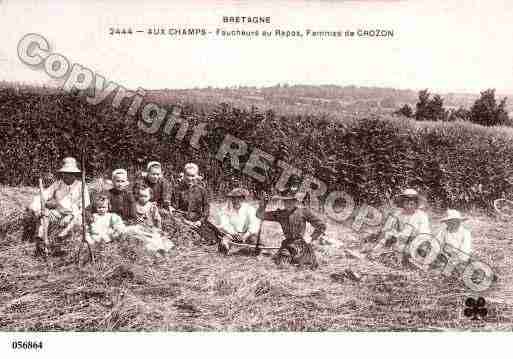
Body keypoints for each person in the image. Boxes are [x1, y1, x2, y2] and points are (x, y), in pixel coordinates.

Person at [24, 157, 90, 255]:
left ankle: (61, 241)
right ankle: (41, 242)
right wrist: (34, 207)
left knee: (78, 220)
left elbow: (85, 205)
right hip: (58, 213)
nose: (67, 176)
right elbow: (43, 196)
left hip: (73, 215)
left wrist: (73, 215)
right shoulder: (58, 184)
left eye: (70, 173)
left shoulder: (81, 186)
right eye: (65, 173)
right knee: (44, 215)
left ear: (74, 174)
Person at [256, 186, 327, 268]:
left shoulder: (304, 212)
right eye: (285, 201)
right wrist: (264, 203)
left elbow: (322, 226)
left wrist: (312, 238)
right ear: (283, 201)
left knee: (303, 264)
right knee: (283, 260)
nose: (288, 203)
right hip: (287, 245)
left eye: (291, 200)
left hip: (301, 245)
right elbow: (260, 215)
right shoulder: (280, 214)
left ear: (296, 201)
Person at [217, 187, 261, 253]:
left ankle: (243, 249)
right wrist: (233, 233)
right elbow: (225, 224)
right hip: (232, 235)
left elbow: (254, 224)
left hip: (247, 235)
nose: (235, 201)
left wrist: (246, 235)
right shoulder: (225, 210)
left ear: (242, 199)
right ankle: (230, 248)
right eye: (233, 198)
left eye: (238, 198)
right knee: (224, 244)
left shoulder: (249, 209)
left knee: (255, 244)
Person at [171, 162, 209, 228]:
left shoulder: (202, 190)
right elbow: (174, 208)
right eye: (188, 175)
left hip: (197, 222)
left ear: (197, 176)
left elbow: (206, 209)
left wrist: (200, 221)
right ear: (184, 175)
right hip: (181, 220)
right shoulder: (177, 189)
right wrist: (185, 221)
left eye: (193, 176)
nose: (190, 178)